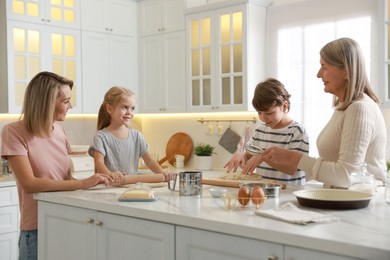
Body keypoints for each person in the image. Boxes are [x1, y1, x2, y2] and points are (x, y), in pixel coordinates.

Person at [1, 71, 111, 260]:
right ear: (47, 102)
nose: (71, 106)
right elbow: (30, 184)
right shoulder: (13, 132)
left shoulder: (59, 132)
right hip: (36, 227)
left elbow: (62, 180)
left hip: (64, 219)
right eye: (66, 101)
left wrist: (96, 182)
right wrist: (82, 183)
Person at [260, 38, 387, 188]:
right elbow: (332, 166)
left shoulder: (360, 109)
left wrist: (296, 159)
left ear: (346, 71)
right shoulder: (344, 107)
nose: (318, 74)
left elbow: (347, 176)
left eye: (324, 67)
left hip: (361, 206)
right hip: (343, 201)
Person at [224, 78, 310, 185]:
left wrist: (263, 157)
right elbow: (249, 158)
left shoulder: (297, 131)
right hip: (264, 192)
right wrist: (241, 156)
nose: (263, 118)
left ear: (284, 106)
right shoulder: (260, 129)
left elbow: (293, 169)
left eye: (269, 113)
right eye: (259, 113)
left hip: (289, 193)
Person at [88, 86, 168, 185]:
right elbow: (99, 162)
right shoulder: (101, 137)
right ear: (109, 108)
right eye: (124, 107)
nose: (129, 112)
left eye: (132, 108)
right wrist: (111, 174)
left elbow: (150, 161)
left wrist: (163, 174)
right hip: (109, 187)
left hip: (131, 187)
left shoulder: (137, 136)